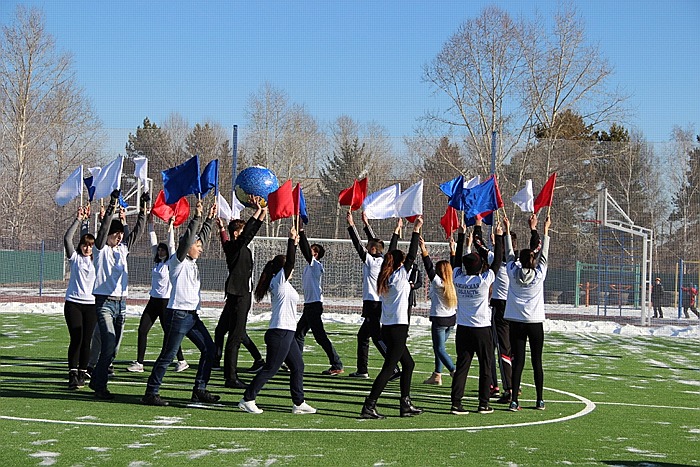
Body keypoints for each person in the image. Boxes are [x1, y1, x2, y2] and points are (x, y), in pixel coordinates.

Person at [142, 200, 220, 406]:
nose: (201, 249)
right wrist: (196, 217)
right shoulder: (177, 261)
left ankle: (200, 390)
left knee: (209, 350)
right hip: (177, 314)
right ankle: (151, 392)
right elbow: (188, 239)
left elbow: (199, 237)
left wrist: (209, 218)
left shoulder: (193, 262)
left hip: (192, 316)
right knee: (168, 355)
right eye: (198, 245)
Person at [238, 225, 316, 415]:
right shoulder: (278, 280)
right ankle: (247, 399)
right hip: (280, 332)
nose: (293, 271)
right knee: (271, 368)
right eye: (289, 268)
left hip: (287, 332)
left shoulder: (284, 283)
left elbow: (289, 264)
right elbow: (289, 263)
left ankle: (298, 403)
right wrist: (292, 242)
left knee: (298, 366)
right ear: (282, 269)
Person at [360, 217, 423, 420]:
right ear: (400, 264)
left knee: (409, 364)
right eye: (403, 261)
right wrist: (416, 230)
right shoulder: (400, 276)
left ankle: (405, 403)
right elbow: (412, 255)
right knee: (388, 369)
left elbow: (393, 256)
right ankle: (369, 406)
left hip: (388, 327)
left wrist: (397, 232)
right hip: (397, 328)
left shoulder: (385, 276)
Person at [89, 190, 146, 400]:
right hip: (104, 302)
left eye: (121, 233)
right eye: (116, 233)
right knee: (109, 342)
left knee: (114, 348)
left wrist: (143, 211)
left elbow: (138, 232)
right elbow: (104, 229)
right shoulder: (100, 249)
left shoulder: (122, 249)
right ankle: (100, 385)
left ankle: (96, 379)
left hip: (121, 303)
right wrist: (112, 206)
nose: (119, 236)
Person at [449, 221, 504, 415]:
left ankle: (456, 402)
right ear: (480, 266)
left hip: (463, 328)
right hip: (481, 328)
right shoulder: (483, 280)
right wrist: (499, 237)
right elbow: (497, 262)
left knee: (462, 365)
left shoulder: (458, 278)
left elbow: (455, 263)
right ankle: (483, 403)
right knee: (485, 366)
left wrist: (462, 236)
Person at [127, 214, 189, 373]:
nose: (161, 251)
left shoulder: (170, 262)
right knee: (142, 329)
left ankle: (182, 360)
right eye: (159, 250)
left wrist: (171, 227)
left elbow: (172, 245)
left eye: (163, 250)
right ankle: (139, 363)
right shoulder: (157, 261)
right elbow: (152, 241)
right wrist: (150, 224)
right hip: (153, 301)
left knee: (169, 333)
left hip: (166, 302)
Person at [489, 214, 541, 404]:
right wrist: (534, 228)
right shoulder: (523, 265)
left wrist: (492, 234)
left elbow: (482, 248)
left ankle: (508, 387)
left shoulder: (505, 265)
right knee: (517, 353)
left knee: (502, 349)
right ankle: (514, 387)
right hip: (523, 315)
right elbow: (537, 248)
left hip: (505, 309)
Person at [217, 197, 268, 389]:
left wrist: (263, 212)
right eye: (242, 230)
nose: (246, 233)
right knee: (235, 337)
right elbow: (247, 233)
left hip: (240, 294)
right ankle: (231, 377)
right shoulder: (234, 247)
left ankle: (226, 370)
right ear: (237, 233)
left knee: (232, 333)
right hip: (238, 295)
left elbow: (251, 232)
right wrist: (256, 210)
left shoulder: (239, 246)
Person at [504, 213, 551, 412]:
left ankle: (514, 400)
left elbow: (508, 253)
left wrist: (507, 231)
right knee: (537, 362)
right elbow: (545, 253)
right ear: (533, 260)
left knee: (518, 362)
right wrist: (544, 230)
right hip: (535, 322)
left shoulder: (513, 273)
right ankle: (540, 400)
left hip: (516, 322)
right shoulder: (539, 274)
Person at [346, 211, 400, 379]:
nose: (367, 248)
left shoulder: (371, 261)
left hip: (372, 303)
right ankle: (362, 370)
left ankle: (394, 367)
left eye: (369, 247)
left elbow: (358, 245)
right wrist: (367, 224)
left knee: (377, 337)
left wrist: (351, 225)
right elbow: (384, 245)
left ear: (373, 250)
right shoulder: (384, 260)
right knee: (363, 336)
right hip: (378, 303)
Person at [294, 226, 344, 375]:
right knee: (299, 333)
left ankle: (336, 364)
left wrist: (301, 232)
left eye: (311, 250)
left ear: (315, 254)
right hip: (309, 305)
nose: (308, 251)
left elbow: (304, 250)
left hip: (314, 306)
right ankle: (295, 362)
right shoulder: (308, 267)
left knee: (319, 336)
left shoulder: (315, 265)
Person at [63, 204, 97, 390]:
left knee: (87, 340)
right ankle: (73, 374)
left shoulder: (97, 260)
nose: (87, 248)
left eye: (90, 245)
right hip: (73, 304)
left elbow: (100, 240)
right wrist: (79, 219)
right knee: (76, 337)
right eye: (84, 245)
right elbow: (67, 238)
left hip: (91, 305)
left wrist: (93, 220)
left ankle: (83, 373)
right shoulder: (75, 258)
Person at [419, 235, 457, 386]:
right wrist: (452, 251)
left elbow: (428, 266)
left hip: (440, 320)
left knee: (439, 348)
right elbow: (453, 266)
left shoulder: (438, 283)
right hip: (451, 319)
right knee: (439, 347)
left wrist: (423, 250)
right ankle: (437, 375)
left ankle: (454, 371)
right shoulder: (452, 281)